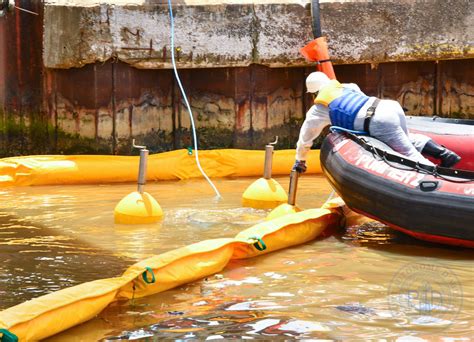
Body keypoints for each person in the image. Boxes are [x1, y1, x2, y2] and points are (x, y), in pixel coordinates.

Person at [292, 72, 461, 173]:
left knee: (408, 153)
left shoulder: (319, 110)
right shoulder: (347, 86)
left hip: (378, 121)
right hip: (388, 106)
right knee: (407, 138)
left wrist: (300, 160)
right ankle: (445, 154)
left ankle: (440, 176)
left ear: (313, 94)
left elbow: (305, 138)